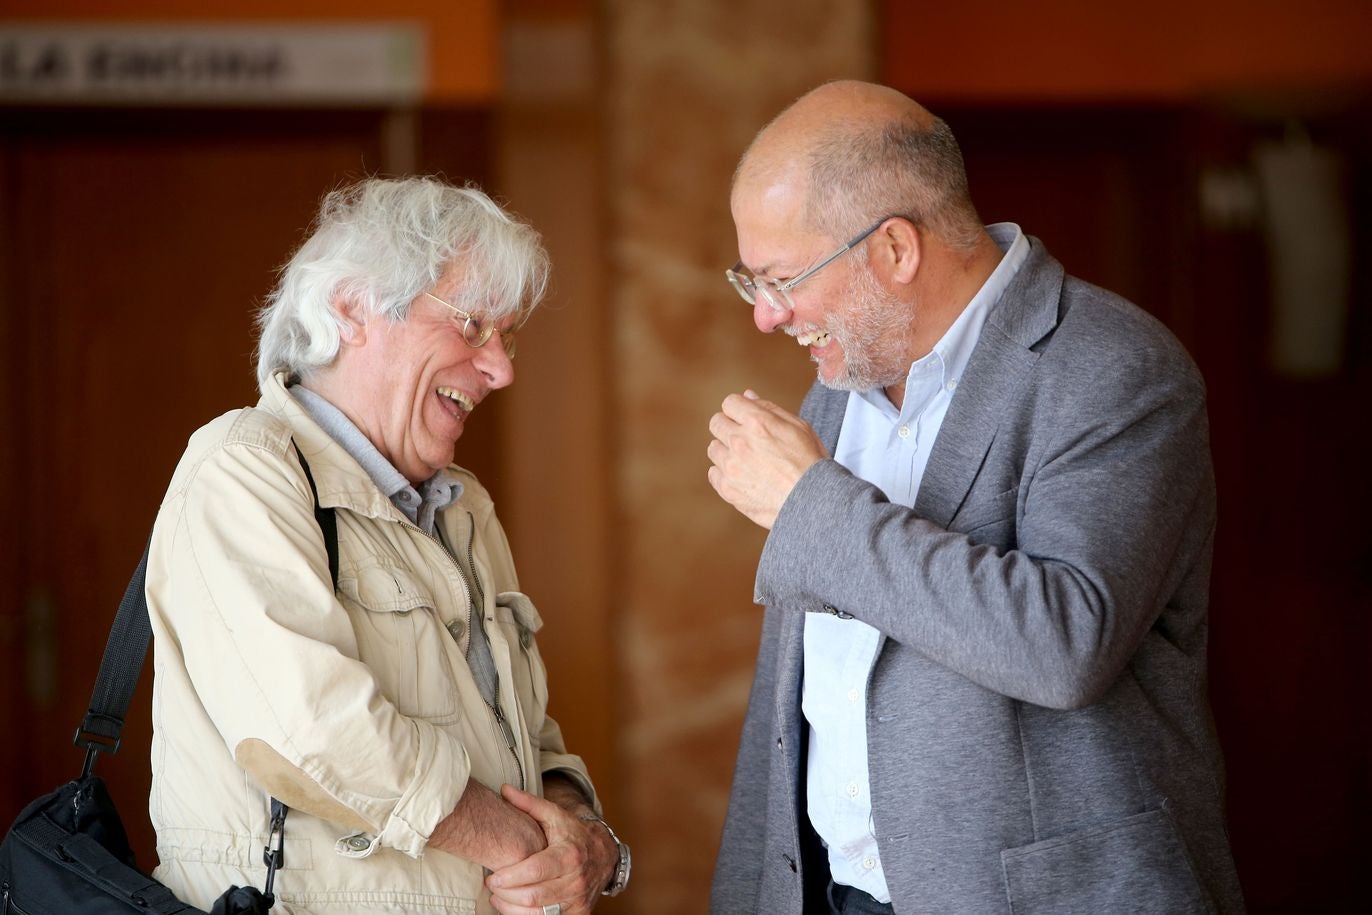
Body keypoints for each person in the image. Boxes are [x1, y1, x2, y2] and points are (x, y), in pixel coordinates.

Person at [706, 81, 1244, 914]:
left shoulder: (1116, 369)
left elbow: (1066, 643)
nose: (767, 319)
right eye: (753, 282)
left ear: (893, 249)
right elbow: (803, 697)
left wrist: (812, 507)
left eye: (781, 279)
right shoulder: (838, 390)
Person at [145, 176, 630, 914]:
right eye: (472, 327)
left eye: (506, 339)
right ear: (352, 308)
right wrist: (524, 845)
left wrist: (585, 839)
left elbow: (527, 738)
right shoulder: (243, 467)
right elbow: (308, 733)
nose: (502, 369)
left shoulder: (464, 507)